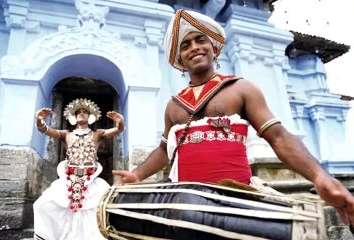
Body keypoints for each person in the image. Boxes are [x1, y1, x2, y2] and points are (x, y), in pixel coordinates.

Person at [112, 9, 354, 226]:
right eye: (185, 46)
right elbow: (164, 150)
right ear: (180, 61)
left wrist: (320, 176)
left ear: (214, 48)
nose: (194, 47)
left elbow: (279, 137)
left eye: (200, 40)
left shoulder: (241, 89)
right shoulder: (174, 106)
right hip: (186, 205)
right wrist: (137, 175)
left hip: (238, 201)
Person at [33, 98, 125, 240]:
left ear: (90, 116)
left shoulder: (97, 134)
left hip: (91, 180)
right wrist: (39, 120)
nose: (81, 114)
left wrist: (120, 123)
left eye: (85, 112)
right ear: (74, 116)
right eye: (78, 112)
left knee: (101, 208)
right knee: (42, 205)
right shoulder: (66, 134)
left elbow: (117, 130)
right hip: (68, 180)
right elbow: (45, 130)